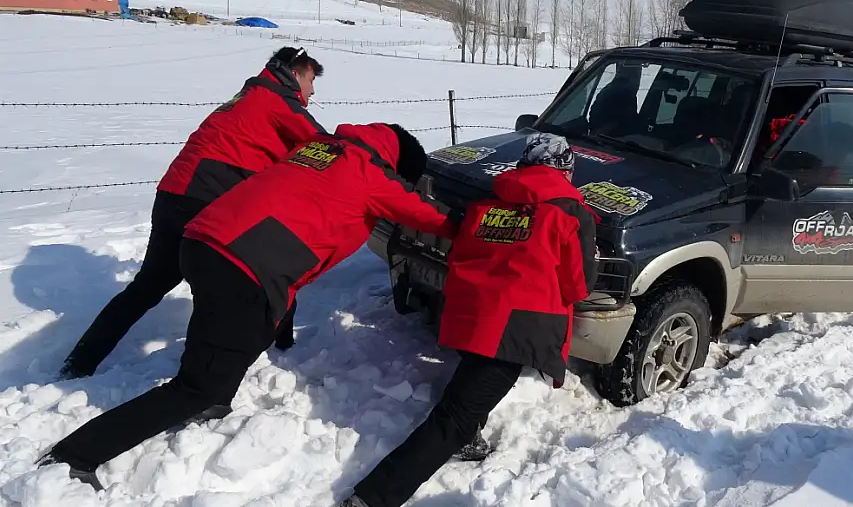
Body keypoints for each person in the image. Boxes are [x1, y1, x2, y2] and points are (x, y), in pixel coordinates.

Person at [39, 122, 456, 491]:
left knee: (257, 327)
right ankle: (75, 455)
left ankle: (216, 396)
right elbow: (436, 220)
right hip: (242, 265)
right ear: (398, 165)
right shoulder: (372, 175)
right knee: (192, 386)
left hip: (205, 240)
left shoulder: (321, 148)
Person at [339, 132, 598, 507]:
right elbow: (578, 285)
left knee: (470, 388)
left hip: (470, 314)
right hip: (515, 327)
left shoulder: (487, 203)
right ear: (564, 171)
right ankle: (373, 497)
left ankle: (472, 436)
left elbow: (465, 254)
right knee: (452, 420)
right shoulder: (571, 213)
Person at [59, 47, 327, 381]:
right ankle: (204, 378)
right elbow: (325, 146)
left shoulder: (248, 94)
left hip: (175, 193)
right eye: (311, 80)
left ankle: (80, 361)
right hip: (208, 199)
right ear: (296, 71)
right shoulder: (276, 99)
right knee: (244, 278)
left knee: (147, 286)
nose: (313, 91)